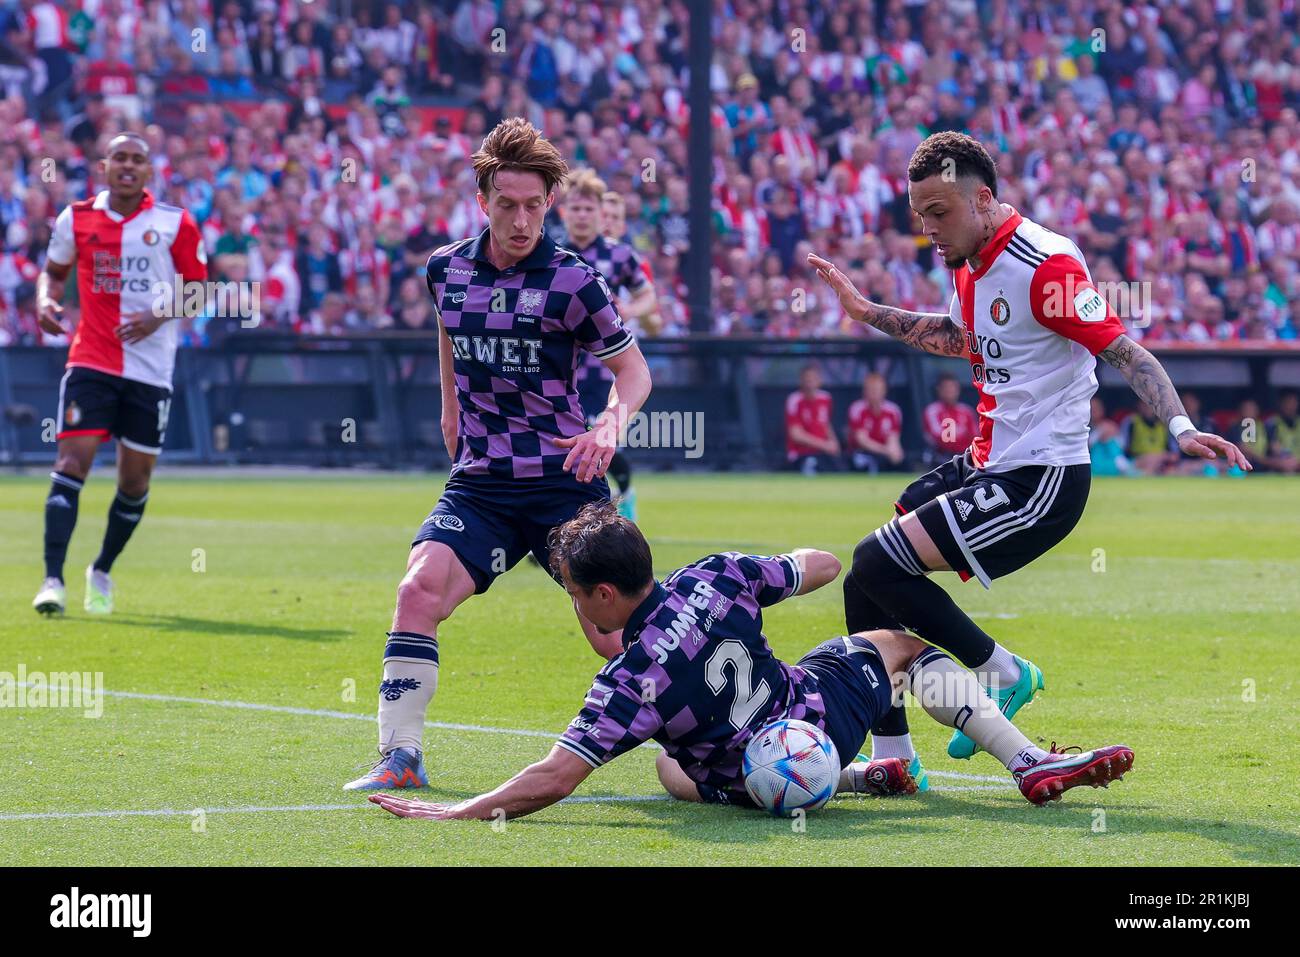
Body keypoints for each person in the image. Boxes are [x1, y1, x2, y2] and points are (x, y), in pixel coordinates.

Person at [808, 131, 1248, 782]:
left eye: (939, 212)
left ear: (983, 199)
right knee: (866, 577)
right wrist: (864, 309)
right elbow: (960, 337)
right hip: (988, 460)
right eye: (919, 215)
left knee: (878, 559)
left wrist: (1181, 427)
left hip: (1041, 477)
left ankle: (1003, 671)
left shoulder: (1045, 265)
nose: (928, 228)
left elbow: (1127, 351)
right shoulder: (968, 260)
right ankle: (894, 757)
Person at [367, 502, 1134, 821]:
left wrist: (461, 809)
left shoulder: (628, 683)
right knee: (899, 646)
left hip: (743, 783)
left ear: (605, 593)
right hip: (816, 722)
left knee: (672, 769)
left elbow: (556, 776)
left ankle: (868, 776)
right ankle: (1021, 757)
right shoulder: (715, 575)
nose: (574, 604)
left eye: (573, 592)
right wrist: (791, 568)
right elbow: (826, 564)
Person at [344, 118, 653, 792]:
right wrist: (450, 407)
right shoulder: (444, 267)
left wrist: (609, 426)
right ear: (482, 201)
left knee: (613, 634)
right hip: (481, 482)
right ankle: (400, 757)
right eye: (507, 204)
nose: (521, 220)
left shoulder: (575, 282)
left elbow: (634, 372)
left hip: (561, 482)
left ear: (550, 203)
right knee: (417, 591)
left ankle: (702, 737)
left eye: (534, 206)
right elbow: (449, 328)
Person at [32, 132, 207, 617]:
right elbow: (52, 270)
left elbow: (200, 290)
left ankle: (102, 568)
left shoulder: (175, 223)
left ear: (149, 171)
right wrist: (47, 299)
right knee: (72, 464)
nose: (128, 166)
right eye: (119, 158)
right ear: (103, 165)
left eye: (137, 159)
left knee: (134, 482)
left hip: (150, 371)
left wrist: (157, 316)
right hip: (91, 359)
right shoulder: (76, 217)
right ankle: (52, 580)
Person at [557, 168, 660, 520]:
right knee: (562, 444)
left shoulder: (620, 256)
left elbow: (648, 297)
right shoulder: (550, 255)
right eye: (576, 208)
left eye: (589, 209)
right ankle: (567, 524)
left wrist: (629, 309)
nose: (582, 216)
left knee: (598, 437)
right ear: (562, 212)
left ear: (601, 214)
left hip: (606, 370)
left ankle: (613, 504)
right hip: (558, 369)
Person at [785, 363, 840, 474]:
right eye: (807, 379)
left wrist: (834, 443)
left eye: (813, 379)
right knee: (812, 467)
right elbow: (796, 435)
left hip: (823, 453)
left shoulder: (826, 398)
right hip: (801, 454)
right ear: (801, 381)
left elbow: (825, 424)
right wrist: (824, 445)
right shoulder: (794, 400)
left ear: (819, 381)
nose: (810, 382)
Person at [847, 372, 905, 473]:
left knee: (901, 462)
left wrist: (895, 451)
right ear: (865, 391)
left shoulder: (893, 411)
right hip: (863, 453)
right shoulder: (857, 409)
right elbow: (862, 441)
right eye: (871, 390)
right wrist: (886, 451)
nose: (874, 393)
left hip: (885, 453)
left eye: (877, 390)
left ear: (884, 391)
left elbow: (893, 438)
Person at [921, 372, 978, 466]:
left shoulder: (966, 411)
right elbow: (939, 436)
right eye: (946, 387)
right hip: (941, 457)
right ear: (939, 389)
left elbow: (975, 437)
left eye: (953, 387)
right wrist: (960, 436)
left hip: (965, 456)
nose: (950, 391)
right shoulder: (933, 410)